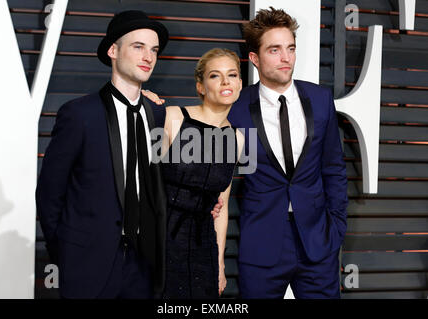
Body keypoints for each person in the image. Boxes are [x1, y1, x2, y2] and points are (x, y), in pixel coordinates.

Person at [36, 10, 221, 299]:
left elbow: (163, 181)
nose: (148, 56)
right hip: (86, 264)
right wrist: (64, 252)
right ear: (113, 50)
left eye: (154, 50)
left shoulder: (158, 113)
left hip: (144, 267)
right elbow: (49, 193)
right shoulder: (79, 114)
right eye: (138, 46)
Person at [227, 7, 348, 298]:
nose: (286, 58)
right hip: (262, 242)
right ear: (255, 58)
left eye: (290, 48)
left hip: (317, 240)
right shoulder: (236, 107)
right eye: (275, 50)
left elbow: (333, 168)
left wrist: (336, 228)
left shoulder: (320, 99)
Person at [160, 48, 244, 298]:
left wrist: (219, 263)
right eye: (215, 76)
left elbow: (223, 206)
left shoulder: (237, 139)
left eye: (232, 75)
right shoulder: (173, 117)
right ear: (200, 86)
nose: (226, 81)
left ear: (240, 83)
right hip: (162, 237)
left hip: (202, 243)